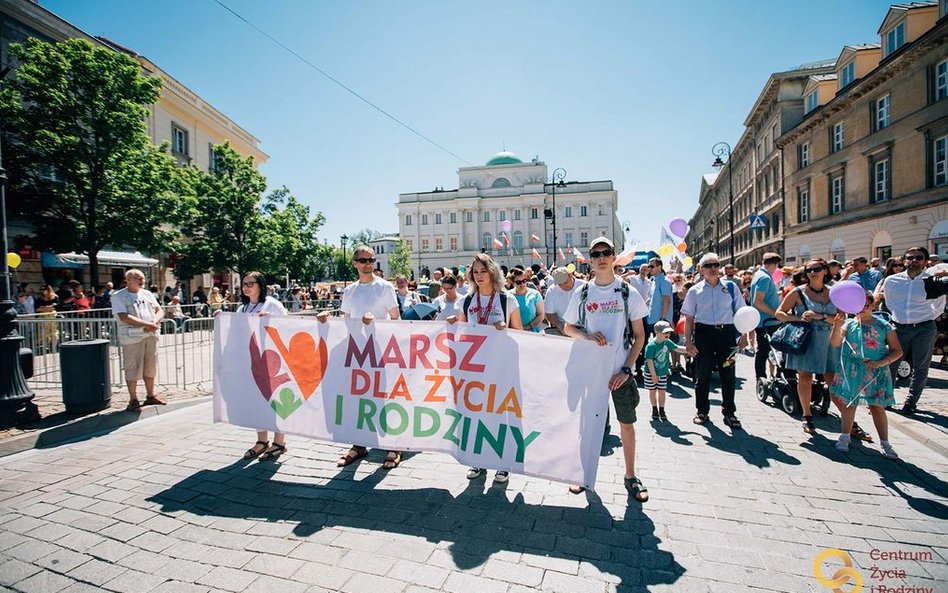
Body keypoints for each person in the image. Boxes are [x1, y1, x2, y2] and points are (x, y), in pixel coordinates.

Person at [563, 237, 647, 499]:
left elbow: (640, 336)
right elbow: (568, 328)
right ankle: (583, 473)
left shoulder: (626, 292)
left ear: (614, 257)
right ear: (590, 259)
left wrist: (627, 369)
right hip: (591, 371)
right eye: (596, 253)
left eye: (606, 253)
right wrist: (586, 336)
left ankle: (631, 476)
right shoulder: (583, 292)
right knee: (587, 425)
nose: (601, 257)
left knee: (626, 424)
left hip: (619, 371)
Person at [317, 246, 403, 470]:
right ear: (354, 263)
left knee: (384, 398)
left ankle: (393, 446)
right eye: (363, 260)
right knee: (359, 398)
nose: (368, 263)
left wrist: (376, 322)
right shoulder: (350, 291)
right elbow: (346, 322)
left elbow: (396, 320)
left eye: (372, 260)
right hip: (357, 353)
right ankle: (359, 443)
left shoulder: (384, 287)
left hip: (381, 351)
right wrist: (327, 321)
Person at [447, 253, 522, 484]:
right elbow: (461, 330)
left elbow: (521, 334)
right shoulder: (466, 301)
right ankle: (478, 460)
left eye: (483, 271)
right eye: (475, 272)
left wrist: (505, 329)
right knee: (476, 413)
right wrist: (453, 323)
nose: (479, 276)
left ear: (492, 272)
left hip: (501, 366)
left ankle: (503, 463)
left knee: (501, 414)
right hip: (475, 368)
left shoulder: (507, 300)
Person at [830, 291, 903, 459]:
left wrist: (882, 362)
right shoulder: (849, 324)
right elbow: (835, 343)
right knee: (849, 403)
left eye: (866, 306)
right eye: (859, 306)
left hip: (876, 371)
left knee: (877, 407)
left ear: (873, 306)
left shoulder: (883, 325)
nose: (862, 309)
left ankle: (885, 443)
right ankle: (845, 436)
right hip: (852, 369)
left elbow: (897, 350)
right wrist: (836, 326)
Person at [775, 259, 840, 435]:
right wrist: (799, 318)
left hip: (830, 339)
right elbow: (779, 313)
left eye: (817, 269)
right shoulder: (798, 292)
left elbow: (843, 318)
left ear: (825, 271)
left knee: (832, 379)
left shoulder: (835, 292)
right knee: (804, 377)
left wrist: (821, 316)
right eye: (809, 270)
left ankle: (847, 416)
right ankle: (807, 415)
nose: (813, 272)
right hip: (806, 339)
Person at [682, 252, 745, 429]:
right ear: (701, 270)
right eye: (708, 265)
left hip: (727, 335)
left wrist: (745, 336)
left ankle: (729, 413)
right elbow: (689, 319)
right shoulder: (695, 291)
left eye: (716, 264)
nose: (713, 268)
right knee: (702, 375)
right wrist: (688, 342)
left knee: (728, 374)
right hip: (704, 334)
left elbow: (742, 313)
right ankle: (702, 411)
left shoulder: (731, 287)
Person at [878, 246, 945, 413]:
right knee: (891, 363)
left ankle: (911, 402)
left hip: (924, 327)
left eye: (919, 257)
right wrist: (901, 318)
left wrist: (923, 318)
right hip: (899, 327)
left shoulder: (932, 280)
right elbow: (890, 303)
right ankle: (887, 398)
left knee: (921, 366)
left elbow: (938, 306)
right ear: (904, 260)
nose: (914, 260)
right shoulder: (892, 280)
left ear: (925, 261)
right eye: (910, 257)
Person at [238, 271, 292, 462]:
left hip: (272, 361)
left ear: (260, 285)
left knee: (275, 401)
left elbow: (287, 327)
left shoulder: (272, 304)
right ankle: (262, 440)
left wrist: (271, 320)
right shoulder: (242, 309)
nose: (246, 287)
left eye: (251, 283)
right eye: (244, 283)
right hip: (253, 362)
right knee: (256, 401)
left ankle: (280, 442)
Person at [111, 269, 166, 411]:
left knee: (150, 365)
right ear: (127, 280)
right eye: (136, 278)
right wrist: (146, 325)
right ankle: (133, 399)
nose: (141, 280)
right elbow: (123, 316)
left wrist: (153, 322)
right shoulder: (118, 296)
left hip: (150, 335)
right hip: (132, 337)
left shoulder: (147, 294)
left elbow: (159, 310)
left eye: (142, 277)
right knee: (132, 366)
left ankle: (150, 395)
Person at [751, 253, 783, 384]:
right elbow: (758, 301)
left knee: (764, 351)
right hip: (767, 321)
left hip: (766, 320)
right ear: (775, 264)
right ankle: (761, 377)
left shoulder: (761, 275)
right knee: (765, 351)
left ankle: (762, 377)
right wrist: (775, 313)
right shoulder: (764, 277)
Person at [644, 321, 684, 421]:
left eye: (669, 332)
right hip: (651, 373)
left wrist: (689, 349)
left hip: (662, 372)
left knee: (662, 392)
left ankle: (662, 410)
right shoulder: (651, 346)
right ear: (657, 333)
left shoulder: (667, 342)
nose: (668, 335)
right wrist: (653, 375)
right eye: (665, 333)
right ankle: (654, 409)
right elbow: (649, 361)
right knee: (652, 391)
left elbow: (678, 348)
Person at [543, 267, 586, 337]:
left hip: (583, 327)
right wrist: (560, 327)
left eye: (565, 282)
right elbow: (549, 314)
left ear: (570, 275)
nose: (563, 286)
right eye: (560, 284)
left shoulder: (584, 286)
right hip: (561, 326)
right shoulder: (552, 290)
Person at [512, 268, 544, 333]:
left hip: (533, 333)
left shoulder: (535, 294)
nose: (522, 284)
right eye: (518, 282)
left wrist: (528, 327)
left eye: (524, 281)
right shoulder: (508, 296)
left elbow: (541, 315)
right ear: (513, 283)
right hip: (514, 333)